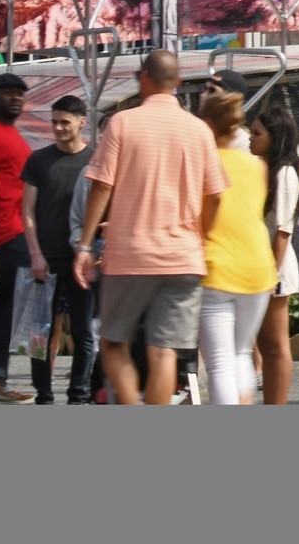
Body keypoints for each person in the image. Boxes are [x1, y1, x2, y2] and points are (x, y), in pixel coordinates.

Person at [73, 50, 228, 406]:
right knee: (164, 351)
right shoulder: (199, 130)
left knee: (114, 342)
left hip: (130, 255)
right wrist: (200, 236)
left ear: (143, 77)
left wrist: (84, 246)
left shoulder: (123, 123)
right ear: (176, 83)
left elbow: (101, 185)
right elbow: (217, 196)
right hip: (184, 257)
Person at [196, 90, 278, 405]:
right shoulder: (258, 165)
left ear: (207, 123)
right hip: (258, 266)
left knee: (219, 363)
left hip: (216, 266)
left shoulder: (203, 162)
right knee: (241, 353)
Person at [20, 94, 97, 404]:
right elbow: (27, 210)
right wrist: (35, 253)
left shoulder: (95, 159)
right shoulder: (39, 160)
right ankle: (44, 395)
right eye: (54, 122)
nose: (58, 128)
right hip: (46, 259)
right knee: (39, 334)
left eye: (65, 122)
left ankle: (79, 393)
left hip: (83, 258)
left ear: (81, 122)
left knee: (83, 332)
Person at [249, 104, 299, 404]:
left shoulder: (284, 174)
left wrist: (270, 273)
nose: (250, 138)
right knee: (261, 342)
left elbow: (283, 230)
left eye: (257, 133)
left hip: (274, 266)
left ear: (276, 136)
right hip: (259, 263)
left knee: (276, 344)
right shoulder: (262, 169)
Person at [0, 71, 33, 402]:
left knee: (5, 309)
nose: (15, 98)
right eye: (9, 93)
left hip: (14, 234)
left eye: (20, 93)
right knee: (4, 309)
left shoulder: (10, 134)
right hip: (1, 236)